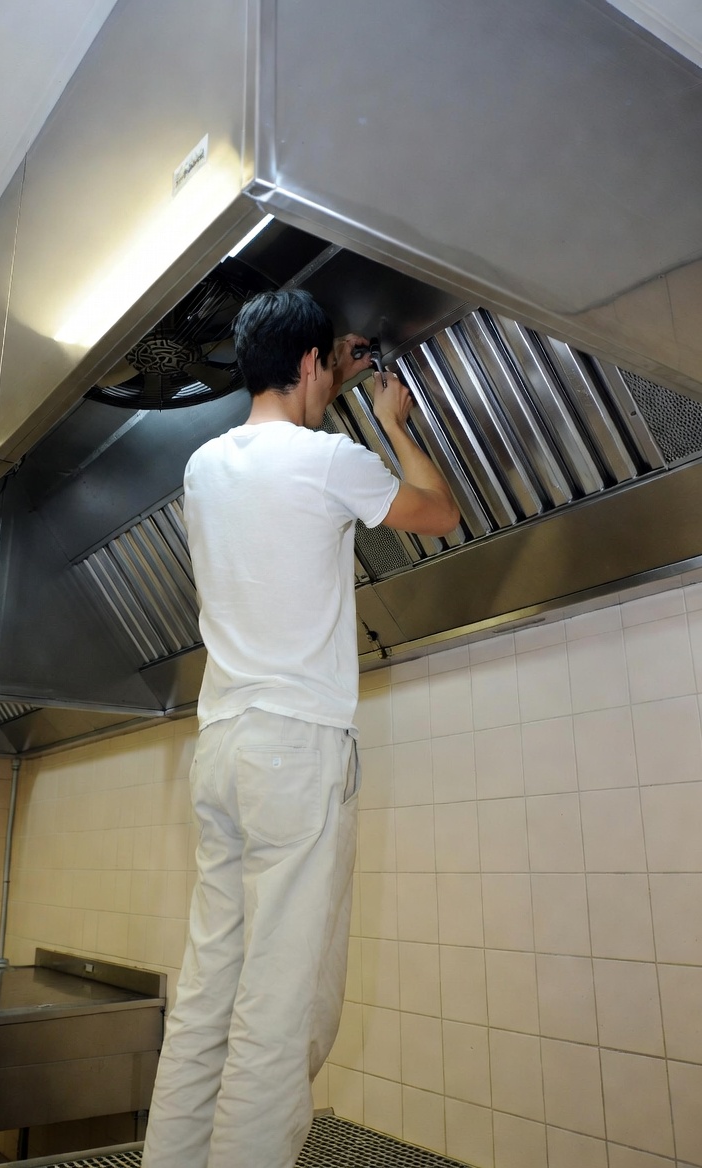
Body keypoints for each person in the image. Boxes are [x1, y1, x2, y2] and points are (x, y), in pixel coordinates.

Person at [142, 290, 459, 1168]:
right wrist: (392, 423)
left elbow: (284, 443)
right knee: (277, 1012)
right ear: (313, 363)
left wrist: (327, 380)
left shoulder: (204, 467)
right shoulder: (330, 461)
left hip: (221, 749)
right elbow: (438, 512)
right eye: (326, 366)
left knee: (209, 994)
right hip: (294, 752)